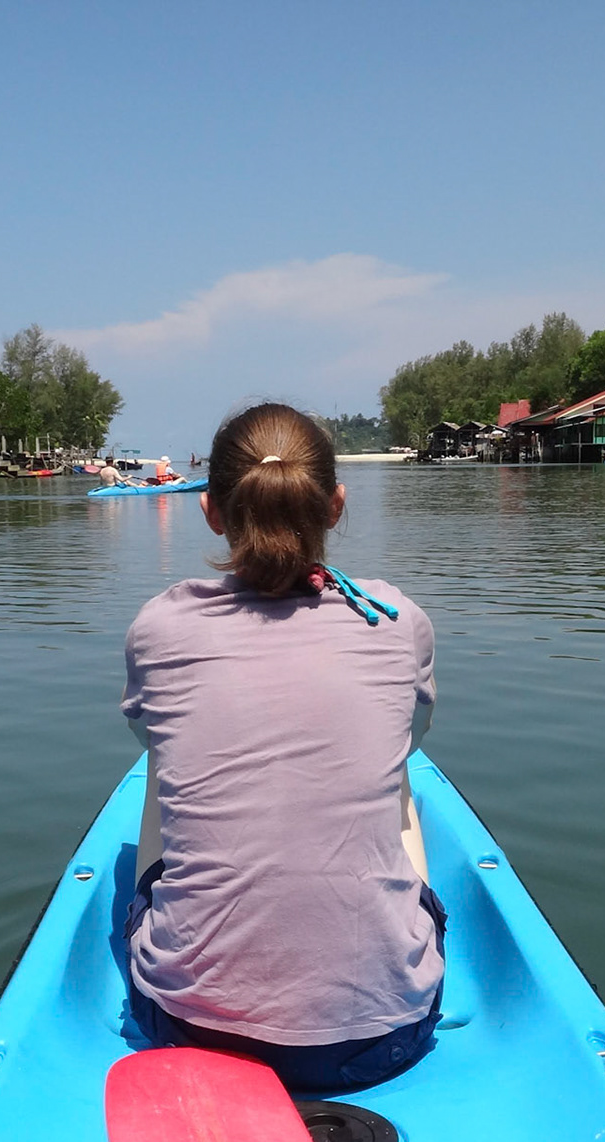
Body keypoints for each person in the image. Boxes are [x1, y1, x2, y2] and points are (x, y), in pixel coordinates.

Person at [120, 402, 444, 1091]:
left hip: (191, 1031)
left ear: (211, 510)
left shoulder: (160, 625)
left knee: (158, 758)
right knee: (401, 763)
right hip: (385, 1035)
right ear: (335, 505)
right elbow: (413, 738)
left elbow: (148, 737)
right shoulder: (394, 618)